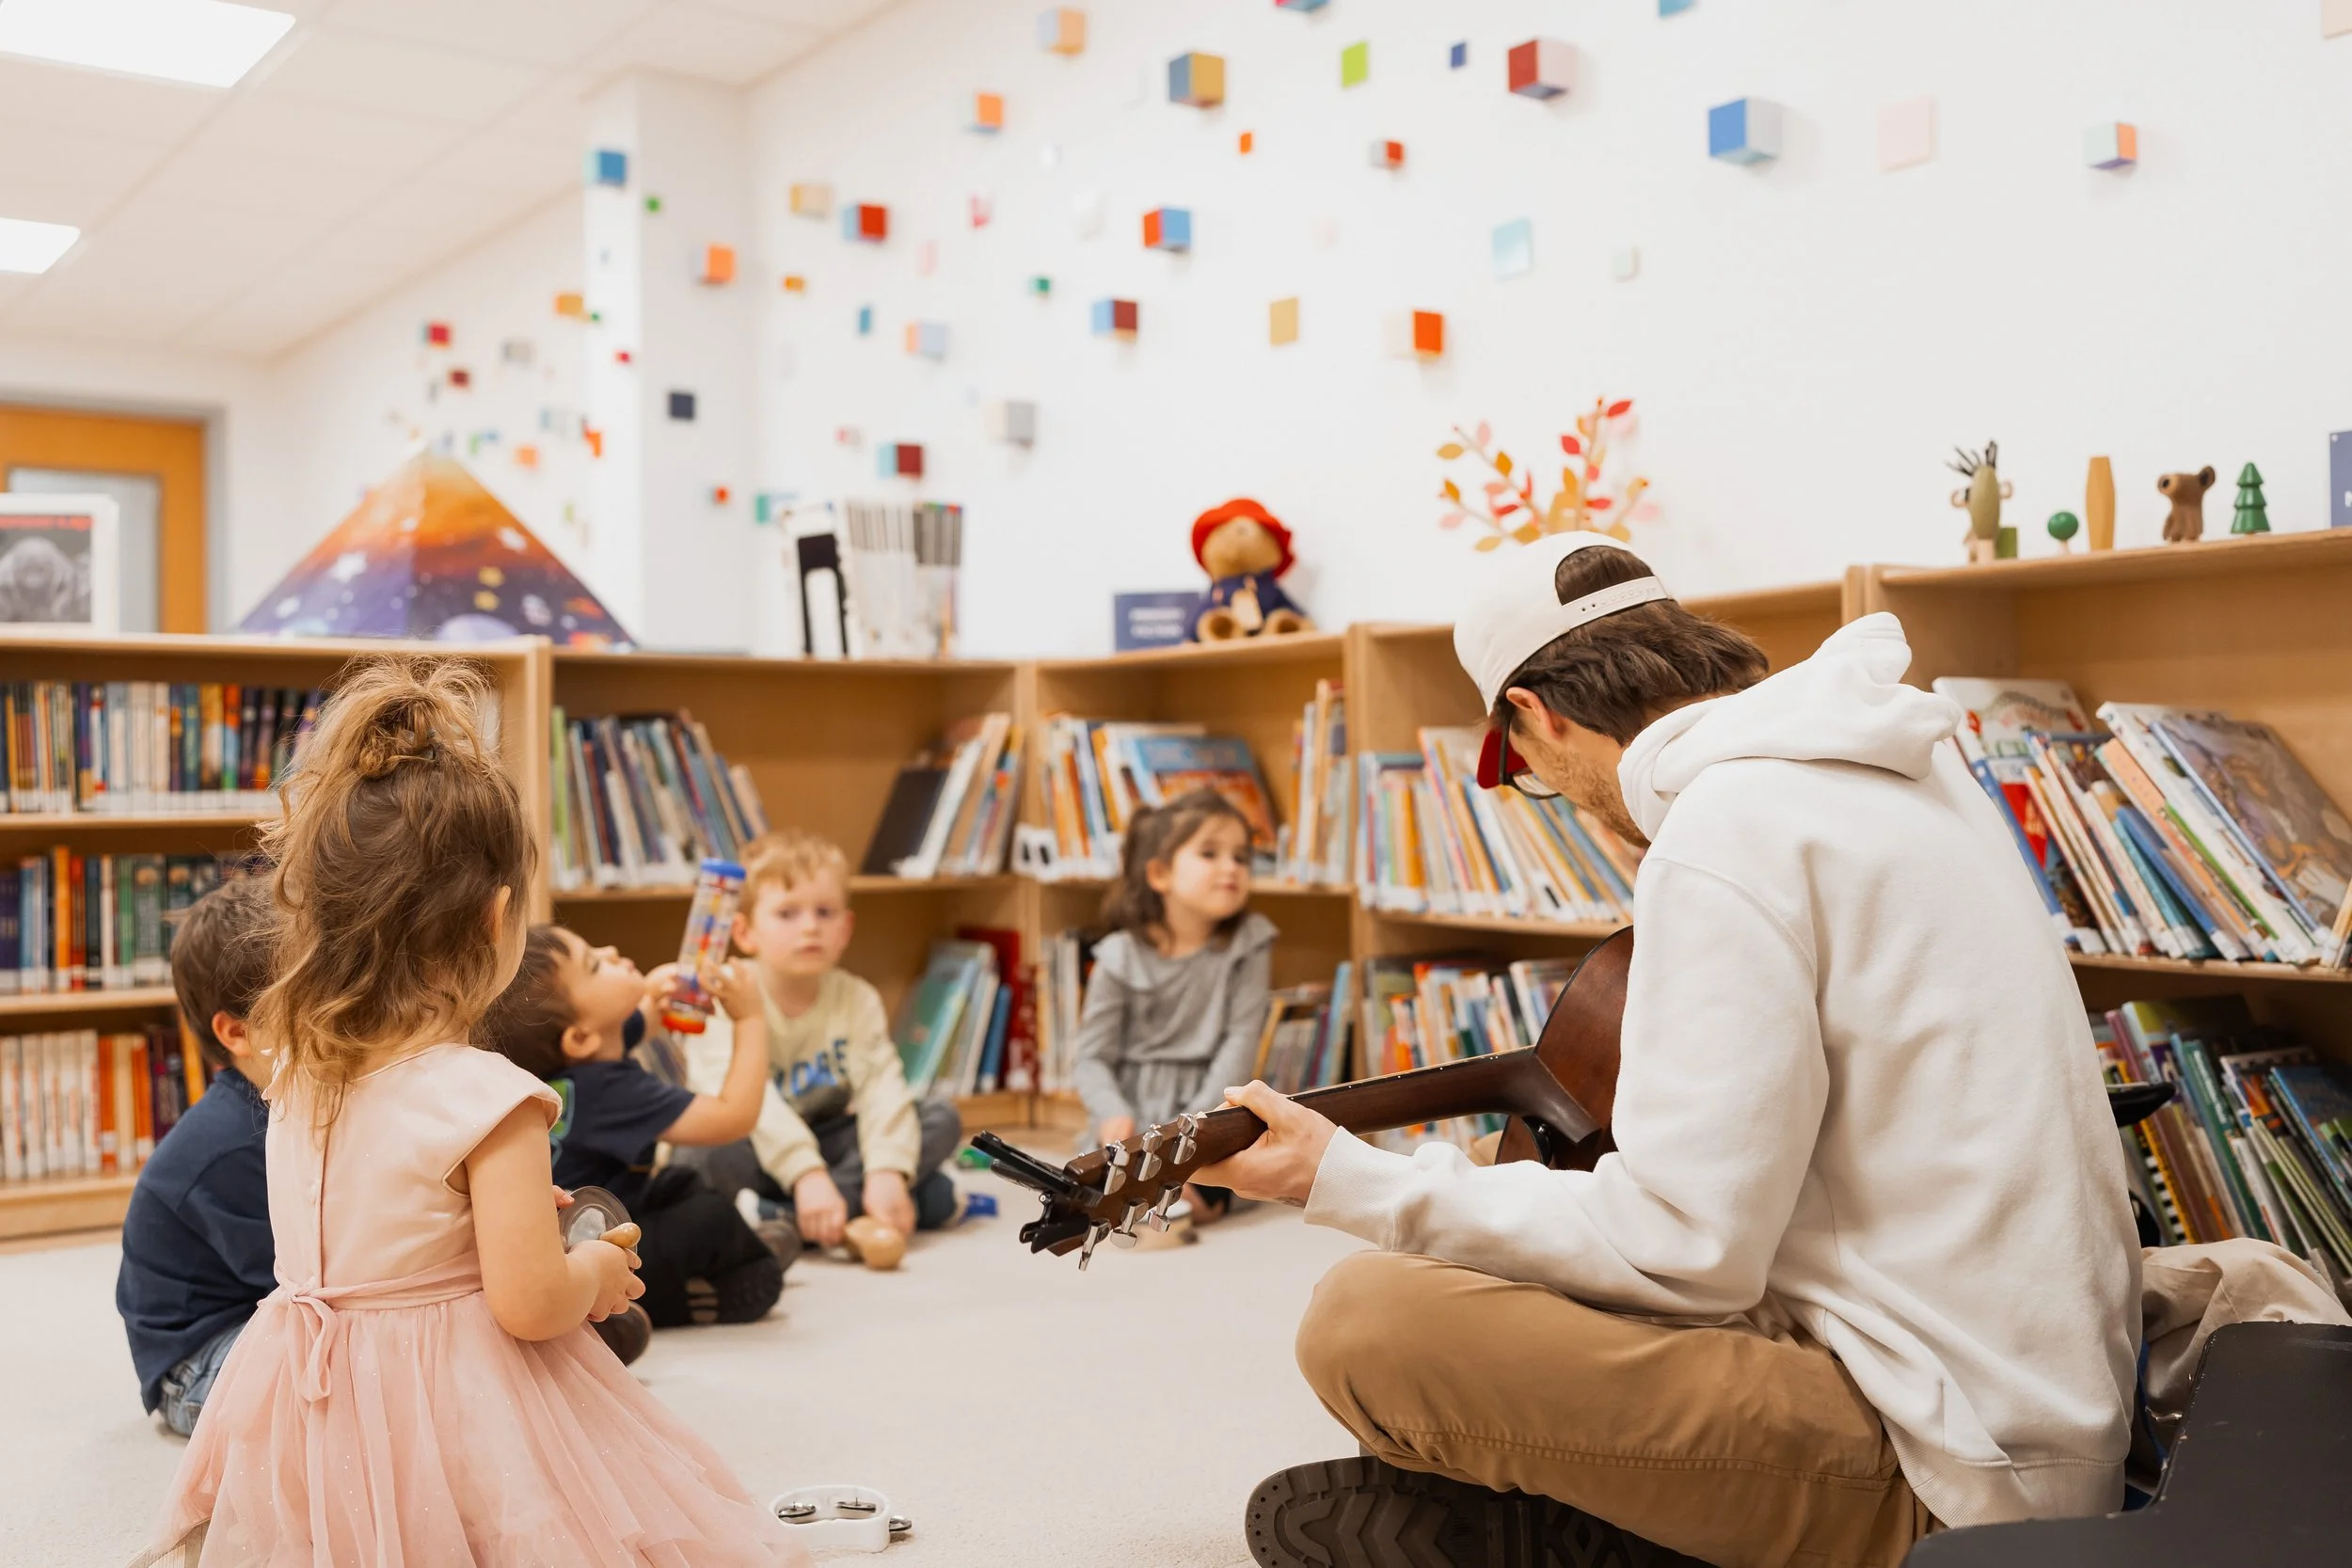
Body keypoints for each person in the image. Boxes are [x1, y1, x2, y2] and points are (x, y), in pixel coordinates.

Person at [1202, 534, 2138, 1568]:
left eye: (1535, 776)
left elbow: (1687, 1250)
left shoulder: (1725, 828)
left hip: (1951, 1468)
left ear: (1533, 713)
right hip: (2027, 1395)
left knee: (1368, 1320)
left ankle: (1660, 1530)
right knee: (1490, 1203)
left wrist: (1340, 1176)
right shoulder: (1910, 765)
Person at [137, 657, 803, 1567]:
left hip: (309, 1402)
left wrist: (505, 1222)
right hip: (445, 1400)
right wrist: (597, 1278)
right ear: (497, 919)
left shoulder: (295, 1073)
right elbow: (531, 1305)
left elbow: (376, 1229)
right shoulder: (490, 1097)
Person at [478, 923, 797, 1333]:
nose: (611, 948)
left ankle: (739, 1248)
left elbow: (640, 1022)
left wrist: (653, 992)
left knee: (681, 1183)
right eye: (594, 965)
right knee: (711, 1218)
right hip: (589, 1241)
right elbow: (733, 1117)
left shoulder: (575, 1063)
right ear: (580, 1038)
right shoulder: (609, 1092)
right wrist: (751, 1019)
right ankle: (622, 1317)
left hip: (588, 1218)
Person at [671, 830, 963, 1268]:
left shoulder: (857, 998)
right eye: (787, 913)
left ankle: (783, 1220)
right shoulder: (722, 997)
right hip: (757, 1148)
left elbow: (882, 1089)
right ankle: (876, 1207)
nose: (809, 926)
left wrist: (887, 1169)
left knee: (939, 1117)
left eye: (824, 912)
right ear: (745, 932)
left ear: (845, 928)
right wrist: (804, 1173)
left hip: (828, 1146)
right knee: (699, 1154)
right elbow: (728, 1103)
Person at [116, 876, 276, 1437]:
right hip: (197, 1359)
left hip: (258, 1313)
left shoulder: (283, 1109)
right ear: (237, 1032)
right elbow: (305, 1281)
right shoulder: (233, 1147)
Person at [1073, 789, 1276, 1224]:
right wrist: (1112, 1110)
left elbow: (1239, 1046)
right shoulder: (1118, 956)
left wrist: (1190, 1132)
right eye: (1210, 853)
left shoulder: (1249, 943)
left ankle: (1176, 1196)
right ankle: (1147, 1199)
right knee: (1094, 1180)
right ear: (1161, 874)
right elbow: (1091, 1056)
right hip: (1133, 1110)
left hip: (1212, 1110)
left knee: (1227, 1176)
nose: (1231, 868)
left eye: (1241, 857)